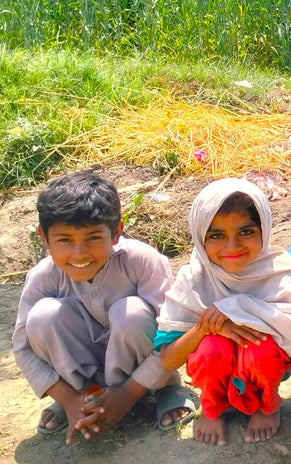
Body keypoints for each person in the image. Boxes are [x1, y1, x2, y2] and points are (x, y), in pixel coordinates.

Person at [12, 171, 193, 445]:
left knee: (131, 312)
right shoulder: (43, 276)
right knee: (42, 316)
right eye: (65, 240)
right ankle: (84, 398)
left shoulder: (143, 262)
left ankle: (162, 388)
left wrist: (127, 394)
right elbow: (23, 348)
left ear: (116, 232)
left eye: (93, 237)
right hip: (81, 386)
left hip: (141, 370)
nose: (79, 253)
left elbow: (173, 335)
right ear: (44, 238)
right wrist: (68, 399)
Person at [156, 178, 291, 446]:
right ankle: (212, 406)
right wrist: (207, 326)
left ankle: (267, 404)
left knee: (259, 347)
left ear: (264, 229)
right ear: (200, 236)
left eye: (246, 232)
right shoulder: (194, 279)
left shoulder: (281, 273)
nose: (232, 246)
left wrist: (237, 309)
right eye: (217, 235)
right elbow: (169, 360)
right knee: (213, 347)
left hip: (265, 363)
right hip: (215, 363)